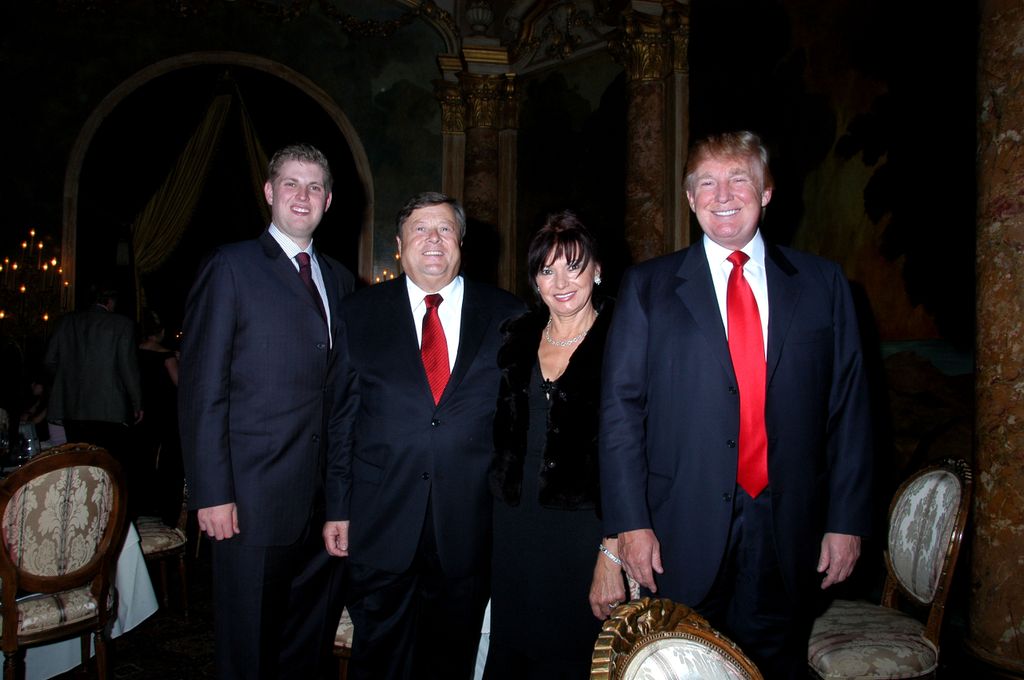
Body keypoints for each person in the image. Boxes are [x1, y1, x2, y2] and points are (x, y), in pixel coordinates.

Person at [599, 130, 873, 679]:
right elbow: (620, 413)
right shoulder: (648, 287)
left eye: (738, 179)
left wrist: (845, 521)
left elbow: (849, 411)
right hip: (677, 531)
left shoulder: (823, 284)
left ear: (766, 191)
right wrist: (630, 524)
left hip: (789, 527)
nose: (723, 195)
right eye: (707, 182)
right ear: (690, 198)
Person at [323, 192, 524, 680]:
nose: (432, 240)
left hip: (468, 523)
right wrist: (338, 506)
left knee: (449, 660)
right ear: (399, 244)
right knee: (380, 658)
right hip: (379, 519)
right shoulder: (359, 313)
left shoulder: (508, 315)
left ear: (461, 243)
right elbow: (342, 419)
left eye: (444, 230)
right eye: (419, 229)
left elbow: (516, 427)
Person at [178, 143, 354, 679]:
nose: (303, 196)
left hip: (321, 508)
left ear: (328, 200)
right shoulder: (230, 266)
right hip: (248, 504)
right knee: (248, 649)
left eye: (315, 186)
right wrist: (212, 492)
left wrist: (341, 503)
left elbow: (343, 399)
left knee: (307, 644)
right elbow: (201, 389)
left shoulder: (342, 282)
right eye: (292, 185)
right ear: (270, 193)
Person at [484, 211, 623, 679]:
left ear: (597, 269)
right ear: (535, 280)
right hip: (514, 531)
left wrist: (612, 551)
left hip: (586, 534)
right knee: (513, 654)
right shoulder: (516, 336)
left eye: (574, 265)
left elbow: (633, 455)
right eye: (547, 270)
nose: (561, 281)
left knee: (574, 660)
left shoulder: (623, 337)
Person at [44, 285, 142, 485]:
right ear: (111, 301)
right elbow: (127, 367)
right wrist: (137, 402)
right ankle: (108, 513)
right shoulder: (121, 324)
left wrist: (69, 380)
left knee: (80, 466)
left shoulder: (67, 322)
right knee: (109, 468)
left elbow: (49, 361)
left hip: (73, 407)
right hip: (109, 409)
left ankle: (82, 511)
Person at [134, 309, 183, 526]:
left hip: (142, 411)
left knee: (143, 456)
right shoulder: (166, 355)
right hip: (164, 412)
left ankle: (144, 504)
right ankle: (164, 507)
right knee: (166, 460)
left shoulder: (135, 352)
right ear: (161, 331)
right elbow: (179, 383)